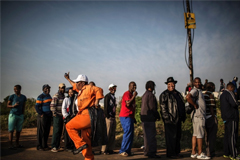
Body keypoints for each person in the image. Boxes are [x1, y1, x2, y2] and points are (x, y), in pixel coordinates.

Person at [64, 73, 104, 160]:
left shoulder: (88, 88)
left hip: (86, 115)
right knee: (86, 139)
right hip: (87, 117)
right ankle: (89, 158)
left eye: (77, 82)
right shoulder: (80, 90)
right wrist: (68, 79)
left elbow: (99, 90)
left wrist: (96, 102)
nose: (76, 84)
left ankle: (80, 145)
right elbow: (73, 85)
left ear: (82, 83)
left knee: (69, 126)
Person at [160, 77, 186, 159]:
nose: (171, 85)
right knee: (171, 138)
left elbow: (182, 105)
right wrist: (167, 118)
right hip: (170, 120)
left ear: (174, 84)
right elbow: (163, 108)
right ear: (167, 85)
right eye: (169, 84)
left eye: (172, 84)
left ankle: (176, 152)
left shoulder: (178, 94)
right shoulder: (164, 94)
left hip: (178, 119)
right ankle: (171, 154)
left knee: (178, 137)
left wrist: (183, 116)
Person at [186, 77, 210, 159]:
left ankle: (193, 152)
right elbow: (188, 97)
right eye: (196, 82)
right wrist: (194, 105)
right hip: (199, 115)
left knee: (195, 134)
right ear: (193, 83)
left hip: (195, 116)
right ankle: (200, 153)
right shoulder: (195, 90)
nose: (198, 84)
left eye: (199, 82)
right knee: (200, 135)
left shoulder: (197, 90)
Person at [141, 81, 161, 158]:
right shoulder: (151, 95)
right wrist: (157, 116)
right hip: (149, 118)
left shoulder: (144, 95)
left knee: (146, 136)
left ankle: (147, 151)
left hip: (144, 118)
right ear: (152, 86)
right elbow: (152, 107)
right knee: (151, 136)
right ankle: (152, 152)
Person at [221, 82, 239, 160]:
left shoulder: (222, 95)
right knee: (232, 136)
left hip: (226, 118)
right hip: (232, 117)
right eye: (233, 88)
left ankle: (227, 153)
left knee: (227, 136)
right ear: (231, 87)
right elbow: (235, 103)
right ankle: (234, 155)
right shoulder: (230, 93)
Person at [119, 81, 138, 157]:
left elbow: (132, 108)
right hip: (125, 116)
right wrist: (134, 96)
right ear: (129, 86)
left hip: (130, 117)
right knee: (127, 132)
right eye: (133, 86)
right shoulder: (127, 94)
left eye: (135, 86)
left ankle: (128, 151)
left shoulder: (130, 95)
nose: (135, 87)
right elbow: (128, 104)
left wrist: (134, 118)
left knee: (130, 134)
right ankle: (123, 150)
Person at [7, 85, 27, 149]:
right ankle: (10, 144)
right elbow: (8, 105)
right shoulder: (12, 96)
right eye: (14, 89)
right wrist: (13, 106)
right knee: (11, 130)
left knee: (18, 130)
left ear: (20, 89)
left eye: (16, 89)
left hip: (20, 115)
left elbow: (23, 106)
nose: (15, 90)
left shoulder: (23, 97)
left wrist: (23, 114)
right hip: (13, 114)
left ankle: (17, 144)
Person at [35, 84, 52, 151]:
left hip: (48, 116)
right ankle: (39, 146)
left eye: (48, 88)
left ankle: (45, 145)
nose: (47, 90)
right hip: (42, 116)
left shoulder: (49, 96)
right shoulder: (40, 96)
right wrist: (41, 114)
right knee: (41, 131)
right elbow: (37, 106)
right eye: (46, 88)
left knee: (46, 131)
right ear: (43, 89)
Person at [101, 83, 117, 155]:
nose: (114, 90)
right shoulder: (107, 96)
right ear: (110, 89)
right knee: (107, 133)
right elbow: (106, 107)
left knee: (112, 134)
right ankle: (104, 149)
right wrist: (107, 116)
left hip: (113, 117)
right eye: (112, 88)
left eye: (114, 88)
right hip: (109, 117)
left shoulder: (113, 97)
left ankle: (110, 148)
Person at [203, 82, 218, 158]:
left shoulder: (204, 94)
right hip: (210, 117)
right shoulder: (210, 94)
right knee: (212, 136)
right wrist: (214, 117)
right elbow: (211, 106)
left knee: (207, 135)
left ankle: (207, 151)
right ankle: (211, 151)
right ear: (212, 86)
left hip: (205, 117)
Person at [50, 83, 66, 152]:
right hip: (57, 116)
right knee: (56, 131)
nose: (62, 89)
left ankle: (57, 145)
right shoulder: (56, 96)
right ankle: (53, 146)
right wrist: (54, 113)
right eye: (61, 88)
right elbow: (52, 106)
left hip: (61, 116)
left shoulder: (63, 96)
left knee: (60, 131)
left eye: (63, 88)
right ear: (59, 88)